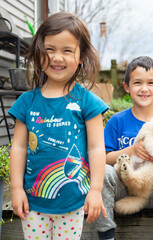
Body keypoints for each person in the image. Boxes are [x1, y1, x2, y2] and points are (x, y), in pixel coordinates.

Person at [9, 12, 109, 240]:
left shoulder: (88, 102)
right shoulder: (26, 102)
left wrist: (95, 190)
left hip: (72, 201)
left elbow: (96, 148)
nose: (57, 57)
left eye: (67, 50)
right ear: (38, 53)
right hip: (33, 201)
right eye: (50, 49)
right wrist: (16, 189)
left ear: (81, 55)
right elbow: (18, 148)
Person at [94, 56, 153, 240]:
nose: (144, 88)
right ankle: (106, 235)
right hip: (123, 190)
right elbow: (103, 158)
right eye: (137, 83)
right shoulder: (117, 121)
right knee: (103, 173)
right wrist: (133, 150)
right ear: (127, 87)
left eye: (151, 83)